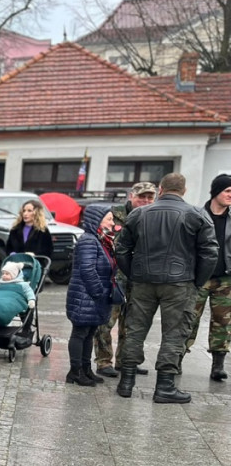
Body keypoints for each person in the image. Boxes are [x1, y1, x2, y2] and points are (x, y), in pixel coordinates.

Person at [115, 173, 218, 403]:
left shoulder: (139, 213)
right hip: (180, 282)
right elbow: (210, 253)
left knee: (135, 330)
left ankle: (126, 382)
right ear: (184, 190)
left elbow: (120, 248)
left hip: (143, 281)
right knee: (175, 334)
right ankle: (165, 387)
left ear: (160, 189)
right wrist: (197, 281)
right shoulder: (197, 214)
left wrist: (134, 273)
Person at [94, 182, 156, 377]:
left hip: (139, 279)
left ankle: (125, 360)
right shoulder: (113, 214)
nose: (145, 201)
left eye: (150, 197)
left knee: (132, 323)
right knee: (107, 321)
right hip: (115, 277)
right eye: (142, 197)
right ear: (131, 196)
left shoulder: (155, 216)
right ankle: (104, 362)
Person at [185, 173, 231, 381]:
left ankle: (218, 366)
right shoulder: (197, 215)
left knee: (223, 321)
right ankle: (176, 360)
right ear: (215, 192)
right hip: (199, 277)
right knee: (188, 318)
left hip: (226, 279)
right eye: (228, 191)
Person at [65, 206, 117, 387]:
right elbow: (87, 270)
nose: (113, 223)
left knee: (89, 333)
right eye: (109, 219)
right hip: (86, 295)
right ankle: (75, 371)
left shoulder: (101, 241)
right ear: (97, 220)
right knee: (80, 333)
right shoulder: (89, 240)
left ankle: (86, 369)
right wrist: (98, 292)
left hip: (94, 297)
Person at [0, 261, 36, 327]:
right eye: (3, 273)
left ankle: (25, 327)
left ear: (14, 275)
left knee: (4, 306)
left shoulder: (22, 284)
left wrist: (31, 299)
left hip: (13, 299)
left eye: (7, 274)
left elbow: (29, 292)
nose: (4, 275)